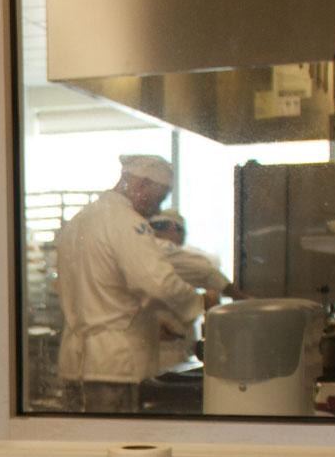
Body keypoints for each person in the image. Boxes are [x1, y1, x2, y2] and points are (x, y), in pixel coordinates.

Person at [53, 153, 213, 411]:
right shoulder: (126, 222)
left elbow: (100, 291)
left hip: (74, 363)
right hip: (116, 366)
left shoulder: (78, 222)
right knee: (114, 434)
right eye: (159, 199)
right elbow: (158, 282)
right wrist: (198, 304)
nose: (158, 210)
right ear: (143, 184)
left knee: (81, 435)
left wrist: (150, 321)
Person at [144, 209, 242, 372]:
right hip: (167, 351)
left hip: (148, 346)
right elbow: (206, 272)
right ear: (172, 228)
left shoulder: (140, 249)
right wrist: (242, 297)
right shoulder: (165, 249)